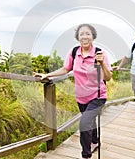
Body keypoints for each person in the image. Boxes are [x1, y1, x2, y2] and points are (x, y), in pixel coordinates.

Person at [34, 24, 112, 159]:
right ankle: (95, 141)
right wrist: (47, 75)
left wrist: (102, 64)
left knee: (84, 123)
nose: (84, 36)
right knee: (90, 122)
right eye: (81, 34)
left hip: (97, 96)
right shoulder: (74, 52)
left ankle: (86, 155)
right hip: (81, 97)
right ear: (78, 37)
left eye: (88, 34)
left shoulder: (100, 53)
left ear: (93, 36)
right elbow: (65, 69)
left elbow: (108, 77)